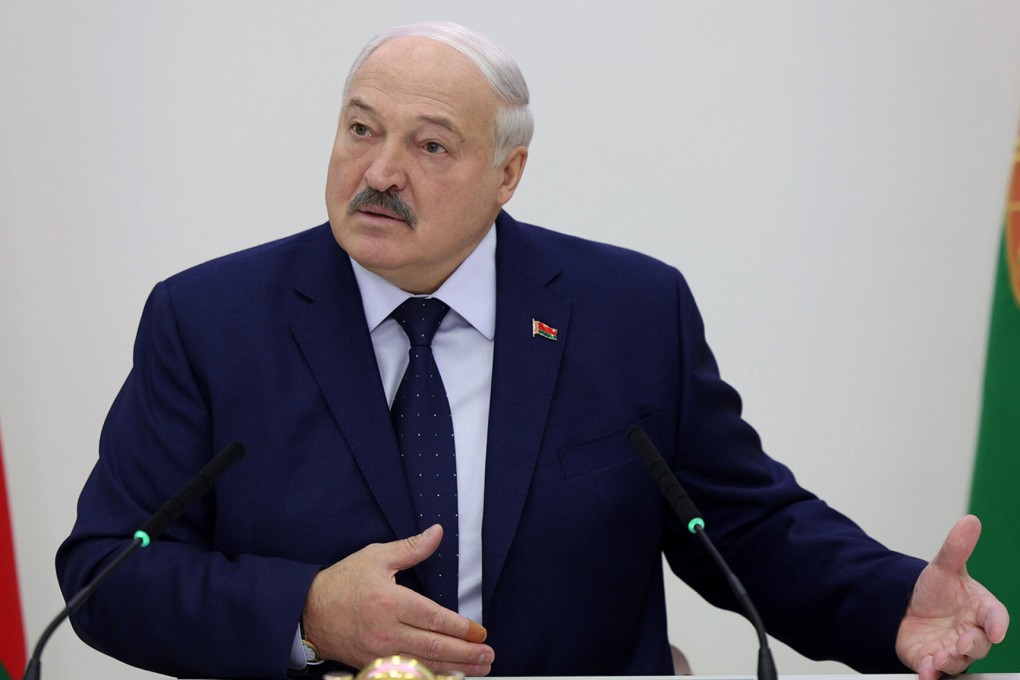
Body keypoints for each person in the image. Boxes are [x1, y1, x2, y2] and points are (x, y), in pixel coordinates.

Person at [56, 20, 1008, 680]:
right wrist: (305, 611)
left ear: (508, 173)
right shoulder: (210, 319)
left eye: (431, 146)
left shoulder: (629, 310)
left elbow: (740, 529)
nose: (379, 172)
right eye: (360, 130)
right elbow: (109, 571)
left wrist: (893, 604)